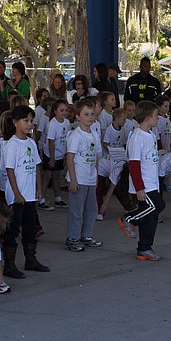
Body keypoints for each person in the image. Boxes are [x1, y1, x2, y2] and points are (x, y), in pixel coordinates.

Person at [2, 105, 49, 277]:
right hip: (17, 196)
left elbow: (37, 166)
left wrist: (38, 188)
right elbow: (10, 170)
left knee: (30, 227)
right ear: (15, 122)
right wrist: (16, 193)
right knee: (13, 228)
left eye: (31, 121)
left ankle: (31, 260)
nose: (29, 124)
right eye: (25, 120)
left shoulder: (31, 142)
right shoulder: (12, 145)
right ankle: (9, 264)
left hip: (30, 194)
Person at [117, 101, 165, 261]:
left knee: (152, 216)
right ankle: (129, 218)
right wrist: (139, 188)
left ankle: (144, 248)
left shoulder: (150, 135)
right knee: (158, 205)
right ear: (148, 118)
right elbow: (134, 164)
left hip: (152, 182)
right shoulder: (137, 137)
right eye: (156, 115)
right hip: (144, 184)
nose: (158, 118)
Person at [65, 100, 103, 252]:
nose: (90, 117)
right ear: (78, 116)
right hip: (79, 179)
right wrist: (73, 180)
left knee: (91, 209)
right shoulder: (76, 135)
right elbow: (70, 158)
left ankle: (86, 235)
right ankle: (72, 238)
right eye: (86, 114)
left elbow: (97, 156)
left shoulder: (94, 134)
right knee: (77, 211)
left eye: (92, 114)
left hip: (90, 179)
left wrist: (96, 175)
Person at [39, 99, 71, 210]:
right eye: (61, 110)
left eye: (66, 110)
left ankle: (57, 198)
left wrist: (65, 153)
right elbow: (50, 142)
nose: (64, 113)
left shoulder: (67, 123)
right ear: (55, 111)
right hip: (50, 154)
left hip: (60, 154)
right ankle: (41, 199)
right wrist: (52, 158)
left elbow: (67, 138)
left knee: (57, 175)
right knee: (47, 175)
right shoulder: (52, 124)